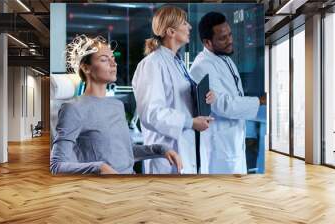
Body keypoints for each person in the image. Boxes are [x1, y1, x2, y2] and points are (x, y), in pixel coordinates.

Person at [50, 35, 183, 175]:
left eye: (113, 58)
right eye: (104, 59)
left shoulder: (117, 105)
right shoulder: (73, 109)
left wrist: (161, 149)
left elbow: (125, 152)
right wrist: (98, 168)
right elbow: (57, 166)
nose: (113, 64)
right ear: (86, 68)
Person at [132, 5, 215, 174]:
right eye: (184, 23)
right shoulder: (152, 64)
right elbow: (152, 113)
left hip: (186, 149)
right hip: (166, 156)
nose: (189, 27)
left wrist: (203, 97)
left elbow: (179, 101)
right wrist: (190, 122)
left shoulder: (176, 62)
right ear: (171, 31)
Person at [190, 12, 266, 174]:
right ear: (207, 42)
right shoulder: (201, 67)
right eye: (223, 38)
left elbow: (235, 97)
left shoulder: (225, 58)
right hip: (219, 149)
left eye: (230, 35)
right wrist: (259, 101)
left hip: (234, 143)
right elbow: (224, 105)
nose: (230, 40)